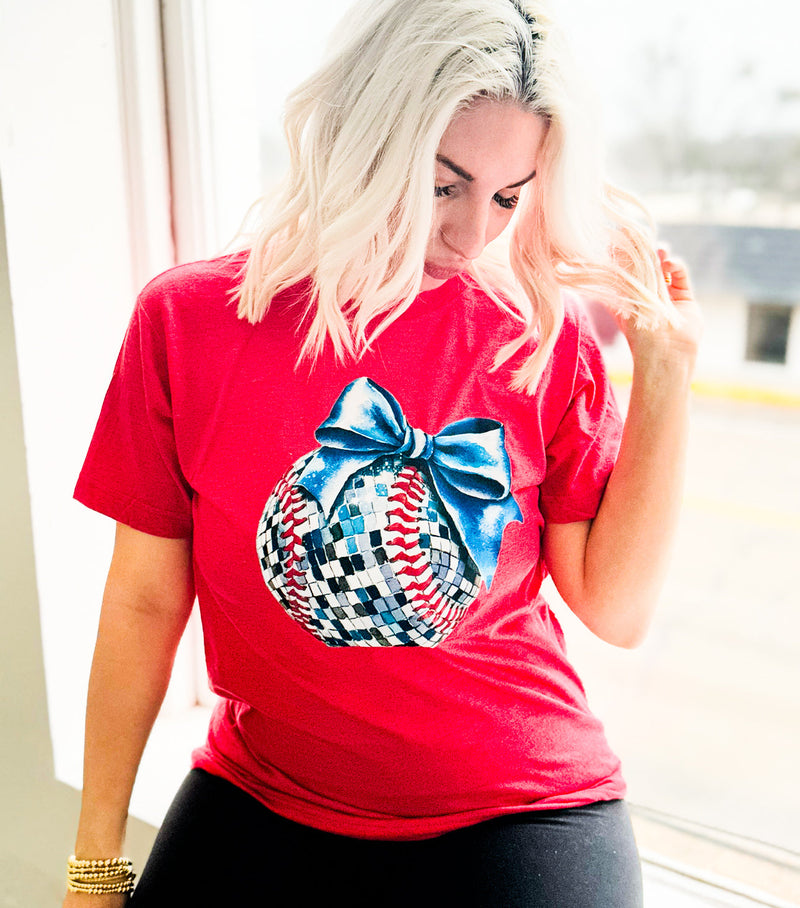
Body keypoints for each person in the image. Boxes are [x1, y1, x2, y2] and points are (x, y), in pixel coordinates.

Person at [63, 0, 701, 905]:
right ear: (367, 140)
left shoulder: (537, 340)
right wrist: (94, 867)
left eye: (507, 197)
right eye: (444, 185)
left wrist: (667, 370)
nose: (473, 236)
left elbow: (616, 607)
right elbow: (142, 601)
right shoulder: (186, 323)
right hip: (265, 788)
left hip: (520, 806)